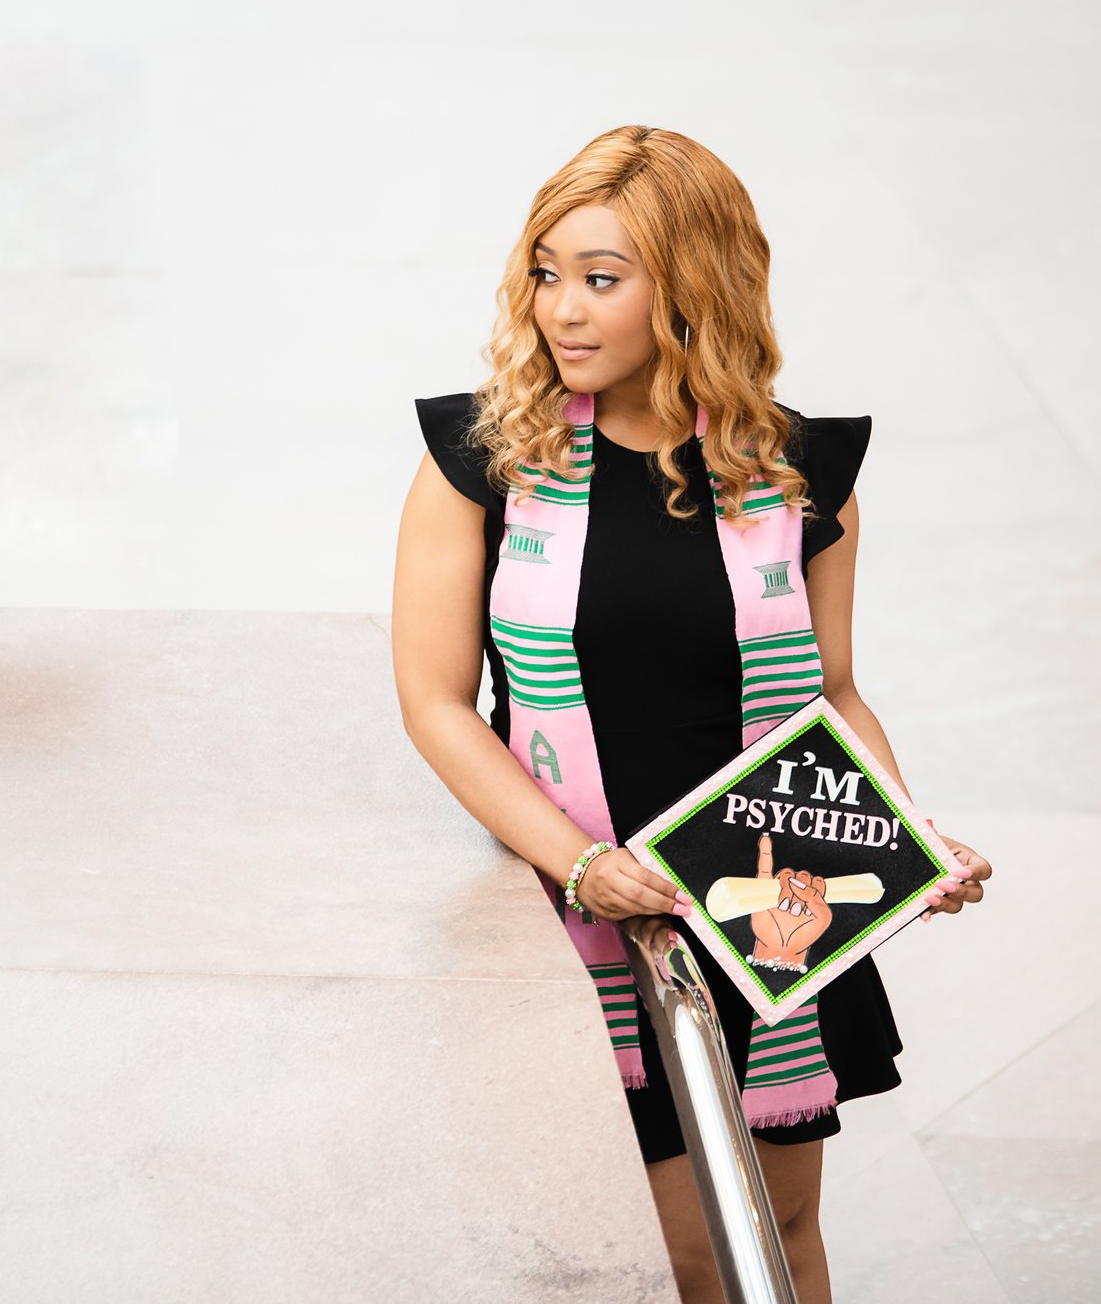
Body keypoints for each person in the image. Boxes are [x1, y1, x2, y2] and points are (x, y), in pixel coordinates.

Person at [390, 124, 990, 1304]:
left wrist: (907, 841)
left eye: (601, 278)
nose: (562, 307)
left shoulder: (797, 471)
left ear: (693, 286)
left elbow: (830, 694)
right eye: (546, 270)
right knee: (688, 1247)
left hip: (767, 901)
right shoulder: (484, 459)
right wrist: (581, 866)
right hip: (583, 909)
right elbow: (435, 703)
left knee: (784, 1233)